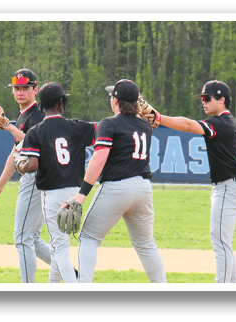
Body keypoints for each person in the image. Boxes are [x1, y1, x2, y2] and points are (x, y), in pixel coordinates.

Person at [68, 79, 167, 283]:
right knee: (146, 244)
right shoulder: (144, 125)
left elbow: (99, 158)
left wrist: (82, 194)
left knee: (88, 237)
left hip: (117, 187)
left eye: (112, 96)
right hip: (143, 188)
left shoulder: (109, 123)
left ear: (115, 101)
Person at [149, 80, 236, 283]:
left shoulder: (221, 123)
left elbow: (188, 125)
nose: (203, 102)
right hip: (231, 186)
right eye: (202, 98)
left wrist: (158, 118)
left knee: (220, 244)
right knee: (224, 243)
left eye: (207, 98)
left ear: (222, 100)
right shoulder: (228, 121)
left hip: (229, 187)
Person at [17, 82, 97, 283]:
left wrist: (20, 165)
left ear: (42, 105)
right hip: (76, 192)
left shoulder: (36, 131)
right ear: (62, 103)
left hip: (52, 194)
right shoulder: (77, 126)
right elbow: (101, 131)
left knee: (59, 247)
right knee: (60, 244)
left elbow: (33, 164)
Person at [0, 68, 53, 283]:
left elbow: (32, 144)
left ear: (35, 89)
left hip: (36, 177)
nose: (20, 92)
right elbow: (16, 152)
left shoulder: (38, 115)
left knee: (22, 238)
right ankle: (73, 275)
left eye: (25, 88)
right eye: (16, 88)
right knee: (31, 237)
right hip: (36, 177)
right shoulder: (23, 115)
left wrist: (8, 126)